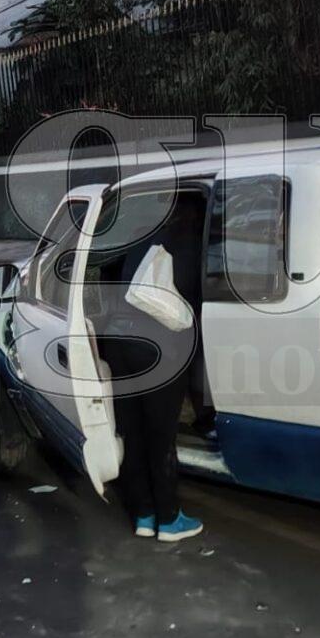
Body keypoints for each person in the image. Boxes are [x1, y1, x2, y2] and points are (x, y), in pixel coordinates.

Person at [115, 206, 204, 543]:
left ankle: (143, 514)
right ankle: (168, 519)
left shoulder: (138, 235)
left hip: (121, 343)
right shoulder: (191, 242)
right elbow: (194, 298)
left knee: (133, 433)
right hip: (160, 349)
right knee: (161, 435)